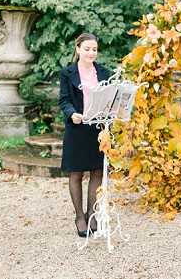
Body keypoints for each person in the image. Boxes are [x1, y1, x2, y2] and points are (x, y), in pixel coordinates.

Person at [59, 33, 111, 237]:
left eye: (94, 49)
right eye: (87, 49)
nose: (91, 52)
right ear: (78, 49)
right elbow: (64, 100)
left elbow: (110, 98)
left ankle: (92, 214)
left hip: (97, 129)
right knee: (76, 173)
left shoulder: (105, 73)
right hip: (77, 127)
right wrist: (72, 114)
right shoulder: (67, 73)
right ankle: (79, 216)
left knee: (97, 171)